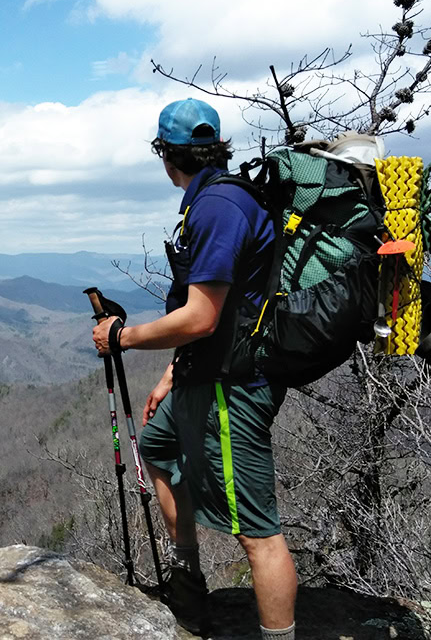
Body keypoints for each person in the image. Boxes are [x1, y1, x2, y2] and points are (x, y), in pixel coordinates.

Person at [92, 97, 297, 639]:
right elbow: (221, 308)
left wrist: (122, 337)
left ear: (167, 155)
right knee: (157, 447)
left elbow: (202, 316)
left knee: (257, 533)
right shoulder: (215, 199)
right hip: (203, 373)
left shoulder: (217, 208)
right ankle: (188, 583)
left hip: (232, 386)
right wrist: (170, 374)